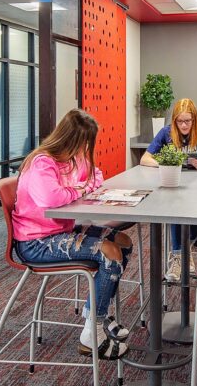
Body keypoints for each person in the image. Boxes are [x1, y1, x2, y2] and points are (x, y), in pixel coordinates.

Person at [12, 109, 133, 359]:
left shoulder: (70, 159)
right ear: (71, 139)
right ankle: (91, 336)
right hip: (37, 242)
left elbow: (95, 176)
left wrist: (79, 187)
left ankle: (96, 316)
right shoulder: (42, 162)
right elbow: (51, 199)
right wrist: (78, 189)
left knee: (123, 241)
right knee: (109, 253)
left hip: (59, 230)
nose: (86, 149)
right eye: (84, 143)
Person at [140, 98, 197, 281]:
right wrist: (164, 163)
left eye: (188, 121)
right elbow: (145, 158)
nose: (184, 125)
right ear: (174, 121)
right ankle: (180, 257)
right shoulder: (166, 132)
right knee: (175, 210)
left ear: (194, 120)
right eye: (180, 121)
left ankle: (182, 253)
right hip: (174, 183)